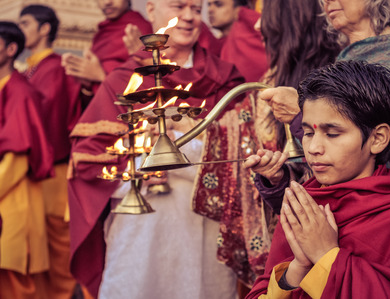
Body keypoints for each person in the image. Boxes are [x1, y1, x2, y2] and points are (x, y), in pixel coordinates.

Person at [67, 0, 245, 298]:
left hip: (203, 227)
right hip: (141, 230)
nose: (188, 17)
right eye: (178, 6)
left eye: (195, 7)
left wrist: (184, 149)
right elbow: (86, 161)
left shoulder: (224, 80)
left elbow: (244, 152)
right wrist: (135, 173)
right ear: (151, 10)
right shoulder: (124, 81)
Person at [244, 60, 390, 298]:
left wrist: (326, 255)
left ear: (378, 138)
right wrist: (297, 269)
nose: (314, 148)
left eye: (332, 134)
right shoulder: (305, 206)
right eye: (309, 133)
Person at [194, 0, 340, 294]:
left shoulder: (332, 79)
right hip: (291, 238)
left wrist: (300, 113)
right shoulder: (276, 74)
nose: (258, 25)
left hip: (328, 236)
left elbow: (327, 167)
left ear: (292, 23)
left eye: (267, 18)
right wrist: (275, 179)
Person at [258, 0, 390, 220]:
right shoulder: (347, 60)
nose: (327, 1)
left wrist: (299, 113)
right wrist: (277, 177)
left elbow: (355, 159)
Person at [18, 5, 82, 298]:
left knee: (57, 247)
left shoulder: (55, 67)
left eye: (26, 23)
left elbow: (46, 118)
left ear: (45, 29)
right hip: (31, 173)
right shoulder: (30, 68)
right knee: (35, 248)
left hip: (53, 170)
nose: (21, 29)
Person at [0, 21, 54, 299]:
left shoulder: (19, 91)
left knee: (13, 283)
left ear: (10, 49)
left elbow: (17, 157)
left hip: (12, 196)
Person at [61, 0, 153, 110]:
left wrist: (101, 76)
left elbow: (149, 85)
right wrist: (87, 84)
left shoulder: (141, 29)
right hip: (103, 109)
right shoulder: (101, 34)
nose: (107, 2)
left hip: (130, 115)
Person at [207, 0, 267, 82]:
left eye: (218, 4)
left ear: (237, 9)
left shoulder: (255, 27)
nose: (210, 10)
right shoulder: (217, 42)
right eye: (209, 5)